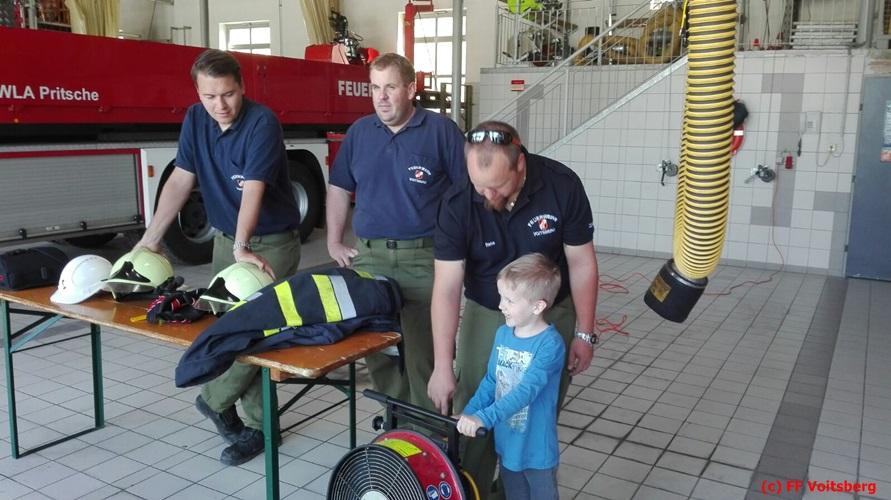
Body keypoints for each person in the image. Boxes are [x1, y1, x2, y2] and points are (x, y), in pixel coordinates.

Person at [135, 48, 301, 466]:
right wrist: (149, 240)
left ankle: (215, 401)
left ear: (242, 87)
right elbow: (181, 179)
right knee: (227, 328)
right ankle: (260, 428)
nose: (220, 105)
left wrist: (244, 248)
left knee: (256, 332)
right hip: (226, 242)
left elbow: (253, 190)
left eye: (228, 94)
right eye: (209, 96)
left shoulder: (262, 122)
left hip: (269, 244)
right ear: (197, 93)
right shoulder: (195, 119)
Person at [428, 121, 599, 497]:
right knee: (475, 409)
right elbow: (447, 287)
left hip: (548, 312)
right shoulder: (457, 201)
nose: (487, 195)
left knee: (531, 415)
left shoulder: (560, 185)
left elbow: (582, 263)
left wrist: (584, 333)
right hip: (488, 310)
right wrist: (442, 365)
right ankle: (470, 490)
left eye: (497, 186)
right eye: (479, 185)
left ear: (520, 164)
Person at [326, 53, 466, 411]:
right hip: (370, 258)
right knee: (378, 349)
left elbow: (466, 194)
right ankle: (397, 424)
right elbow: (339, 187)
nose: (382, 97)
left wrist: (463, 250)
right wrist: (334, 241)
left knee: (425, 352)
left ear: (411, 88)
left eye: (390, 87)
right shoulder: (360, 133)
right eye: (375, 88)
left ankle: (427, 430)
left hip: (424, 258)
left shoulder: (441, 132)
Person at [457, 253, 565, 500]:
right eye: (501, 297)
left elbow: (526, 392)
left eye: (509, 300)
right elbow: (491, 381)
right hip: (508, 443)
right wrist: (469, 413)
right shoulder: (503, 334)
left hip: (536, 450)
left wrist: (484, 418)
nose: (500, 305)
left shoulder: (550, 344)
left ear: (538, 306)